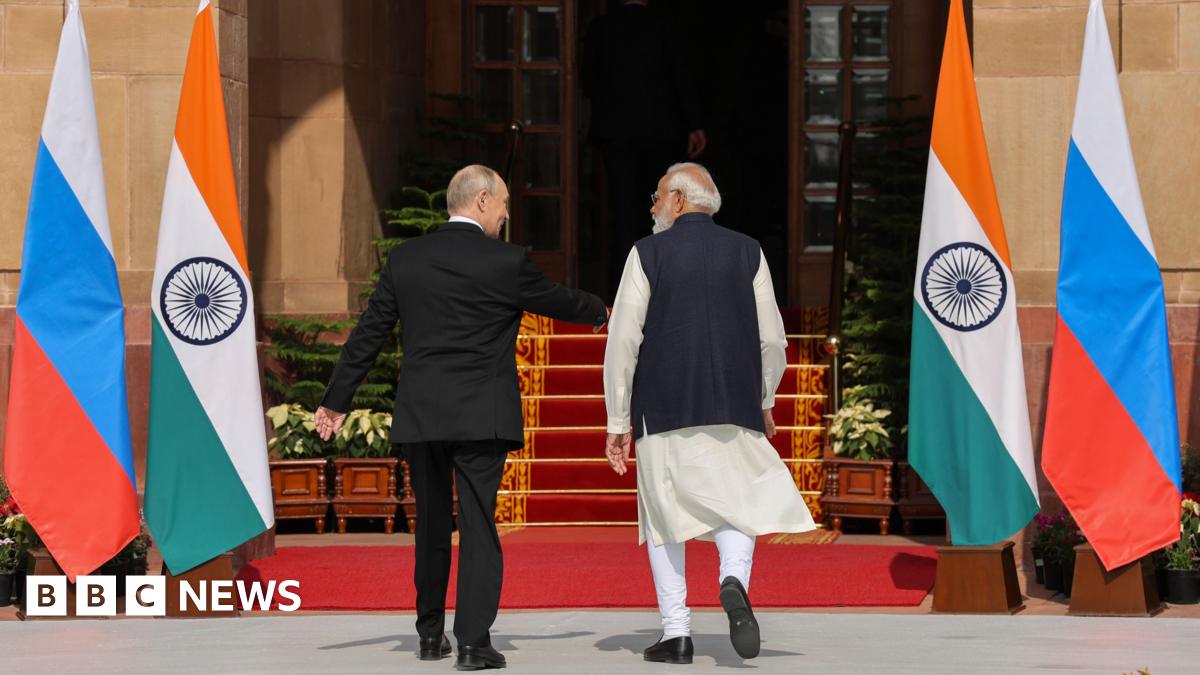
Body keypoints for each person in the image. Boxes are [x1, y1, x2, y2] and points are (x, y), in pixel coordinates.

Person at [315, 165, 608, 671]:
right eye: (503, 205)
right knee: (477, 524)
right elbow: (561, 302)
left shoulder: (406, 259)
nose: (506, 214)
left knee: (430, 524)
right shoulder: (507, 262)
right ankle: (473, 642)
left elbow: (369, 333)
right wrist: (604, 310)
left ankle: (430, 635)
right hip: (481, 415)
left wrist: (336, 400)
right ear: (480, 202)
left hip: (423, 415)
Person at [602, 163, 815, 664]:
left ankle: (676, 633)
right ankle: (732, 578)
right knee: (737, 503)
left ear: (677, 199)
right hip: (735, 401)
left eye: (656, 197)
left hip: (663, 403)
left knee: (663, 515)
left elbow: (624, 340)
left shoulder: (646, 252)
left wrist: (617, 419)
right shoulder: (748, 251)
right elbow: (772, 340)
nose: (652, 207)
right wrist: (764, 399)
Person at [582, 0, 707, 298]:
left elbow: (588, 81)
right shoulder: (665, 24)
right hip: (660, 133)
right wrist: (694, 124)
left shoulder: (601, 27)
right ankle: (662, 286)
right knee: (662, 209)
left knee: (622, 211)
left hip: (616, 133)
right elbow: (682, 75)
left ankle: (623, 291)